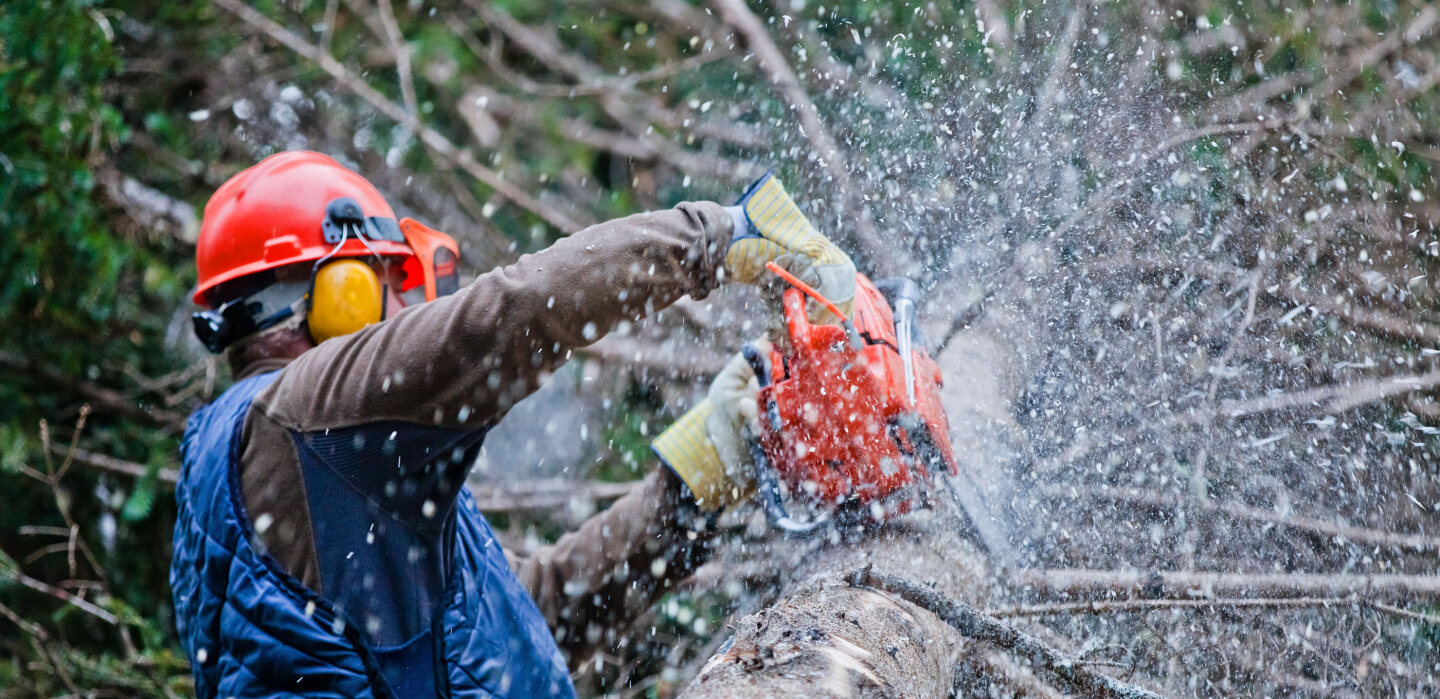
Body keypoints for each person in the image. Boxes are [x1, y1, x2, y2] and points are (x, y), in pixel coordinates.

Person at [169, 150, 854, 698]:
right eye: (382, 281)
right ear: (334, 295)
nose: (402, 306)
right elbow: (507, 317)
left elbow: (527, 619)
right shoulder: (304, 415)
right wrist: (721, 235)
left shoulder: (308, 462)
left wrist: (695, 479)